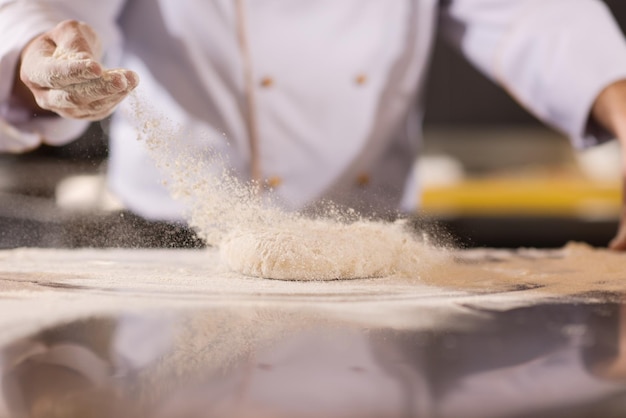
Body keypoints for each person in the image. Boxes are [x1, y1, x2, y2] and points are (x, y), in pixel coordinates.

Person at [2, 0, 626, 249]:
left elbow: (533, 15)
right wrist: (41, 51)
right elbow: (51, 15)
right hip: (170, 247)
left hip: (375, 250)